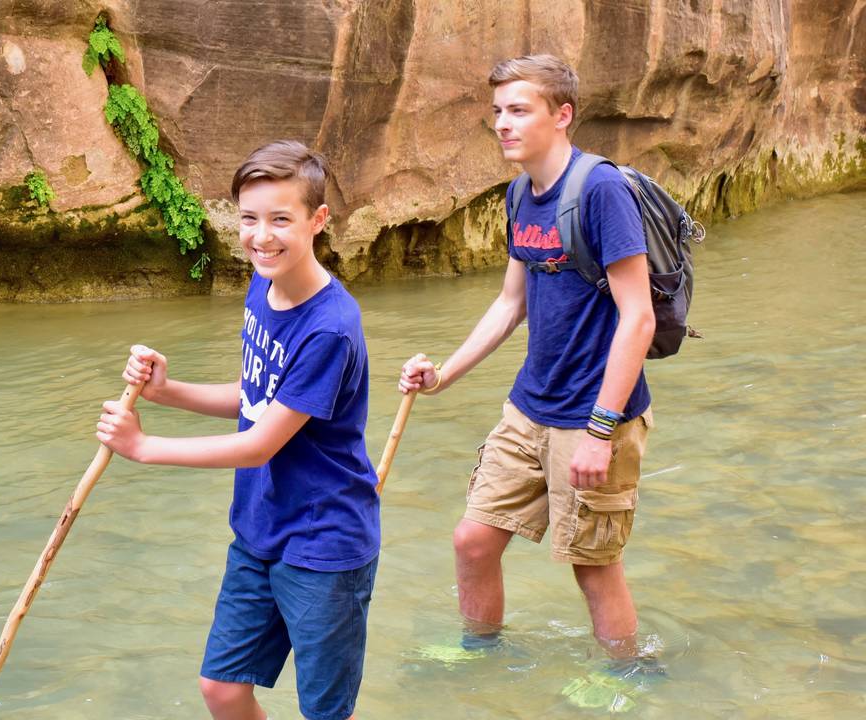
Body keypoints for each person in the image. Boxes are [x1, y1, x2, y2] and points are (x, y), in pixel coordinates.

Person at [98, 140, 379, 720]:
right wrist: (167, 392)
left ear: (318, 220)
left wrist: (144, 447)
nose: (261, 236)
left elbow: (258, 445)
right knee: (222, 688)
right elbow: (254, 401)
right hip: (260, 529)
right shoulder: (263, 286)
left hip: (324, 542)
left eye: (281, 219)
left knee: (326, 712)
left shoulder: (330, 329)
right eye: (249, 219)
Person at [398, 55, 657, 660]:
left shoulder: (602, 191)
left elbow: (638, 317)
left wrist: (600, 430)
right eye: (497, 112)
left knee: (593, 565)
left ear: (562, 115)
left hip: (595, 416)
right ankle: (479, 653)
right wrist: (443, 375)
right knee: (473, 540)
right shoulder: (521, 195)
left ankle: (626, 675)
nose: (503, 124)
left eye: (519, 110)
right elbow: (510, 304)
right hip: (530, 408)